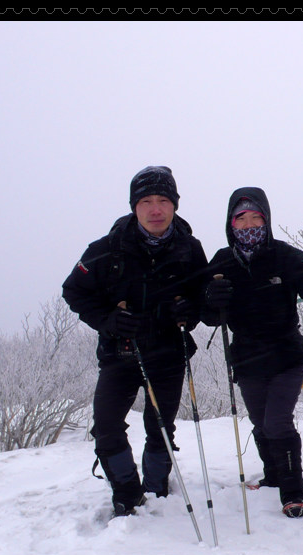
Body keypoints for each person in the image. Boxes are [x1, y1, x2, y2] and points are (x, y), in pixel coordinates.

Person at [62, 166, 208, 517]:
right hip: (120, 353)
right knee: (107, 425)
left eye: (163, 200)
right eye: (146, 201)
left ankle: (156, 487)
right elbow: (74, 291)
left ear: (174, 205)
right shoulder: (106, 249)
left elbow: (202, 299)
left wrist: (191, 310)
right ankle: (127, 493)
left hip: (169, 354)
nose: (155, 209)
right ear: (134, 206)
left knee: (160, 426)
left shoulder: (190, 249)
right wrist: (108, 320)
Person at [201, 187, 303, 518]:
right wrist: (211, 299)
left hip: (286, 354)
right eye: (241, 217)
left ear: (267, 219)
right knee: (260, 421)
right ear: (231, 223)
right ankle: (273, 476)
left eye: (256, 216)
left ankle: (293, 490)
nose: (249, 224)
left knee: (277, 421)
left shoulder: (285, 256)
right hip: (246, 357)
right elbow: (209, 316)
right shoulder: (222, 261)